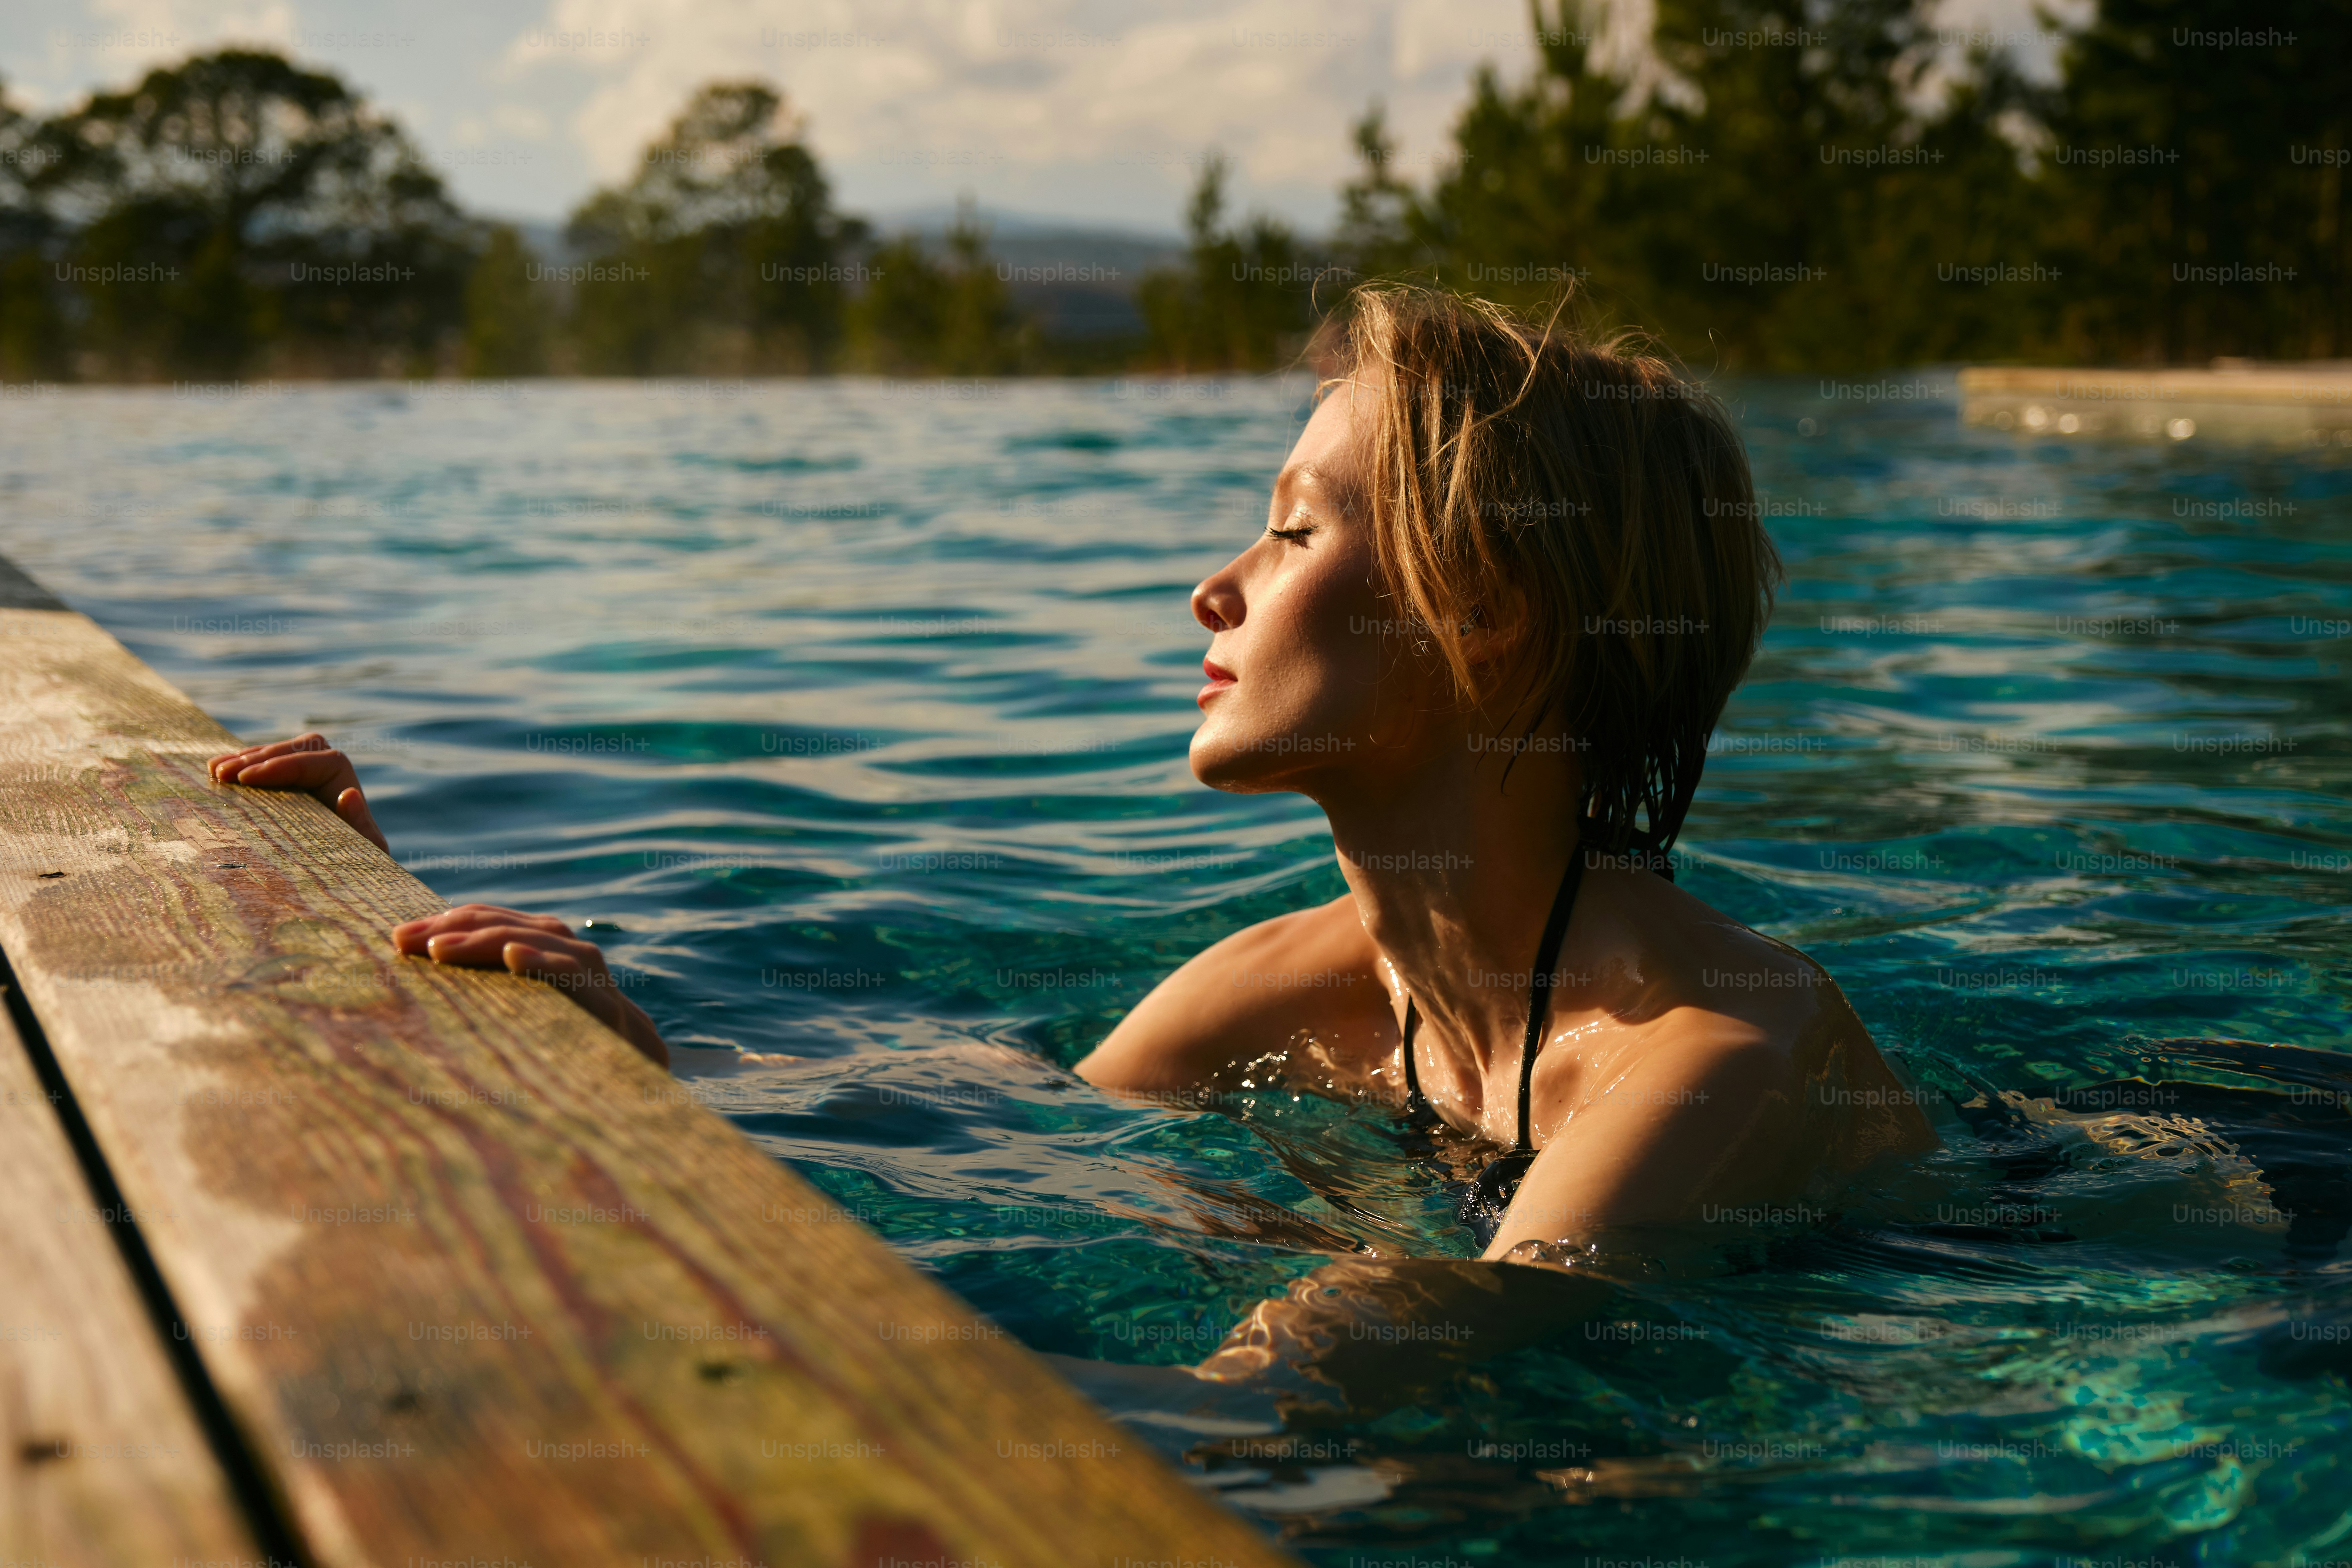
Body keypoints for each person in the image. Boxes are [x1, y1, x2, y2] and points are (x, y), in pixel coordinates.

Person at [212, 284, 1933, 1413]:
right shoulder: (1294, 992)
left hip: (2015, 1251)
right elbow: (934, 1123)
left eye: (1292, 527)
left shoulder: (1707, 1050)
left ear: (1486, 612)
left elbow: (1342, 1381)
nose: (1216, 588)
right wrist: (501, 974)